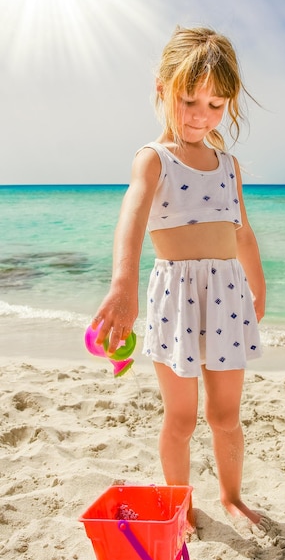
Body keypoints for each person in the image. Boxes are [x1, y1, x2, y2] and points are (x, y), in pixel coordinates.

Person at [92, 26, 267, 529]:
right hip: (176, 299)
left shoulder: (228, 165)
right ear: (162, 87)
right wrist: (123, 285)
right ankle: (181, 503)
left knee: (226, 415)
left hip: (228, 295)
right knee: (182, 416)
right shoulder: (155, 158)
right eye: (190, 99)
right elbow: (132, 215)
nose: (201, 115)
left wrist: (259, 286)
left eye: (216, 104)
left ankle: (231, 497)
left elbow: (243, 234)